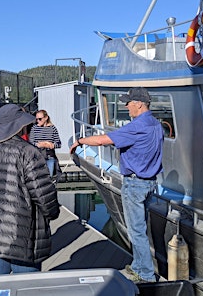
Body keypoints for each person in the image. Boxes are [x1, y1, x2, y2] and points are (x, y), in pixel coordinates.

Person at [69, 87, 164, 283]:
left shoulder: (136, 126)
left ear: (138, 104)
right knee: (141, 228)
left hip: (135, 184)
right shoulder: (156, 125)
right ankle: (140, 265)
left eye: (128, 103)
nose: (126, 106)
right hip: (150, 184)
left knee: (136, 231)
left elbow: (103, 140)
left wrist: (79, 141)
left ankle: (145, 274)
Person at [0, 103, 60, 280]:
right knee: (27, 285)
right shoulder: (29, 152)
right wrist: (52, 213)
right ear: (19, 125)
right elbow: (43, 195)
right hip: (22, 232)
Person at [30, 110, 61, 178]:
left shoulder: (53, 128)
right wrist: (40, 145)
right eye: (37, 119)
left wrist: (51, 145)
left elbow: (58, 143)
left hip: (50, 156)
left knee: (49, 178)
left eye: (40, 119)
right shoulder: (34, 128)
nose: (38, 121)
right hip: (37, 157)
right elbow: (31, 142)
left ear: (46, 118)